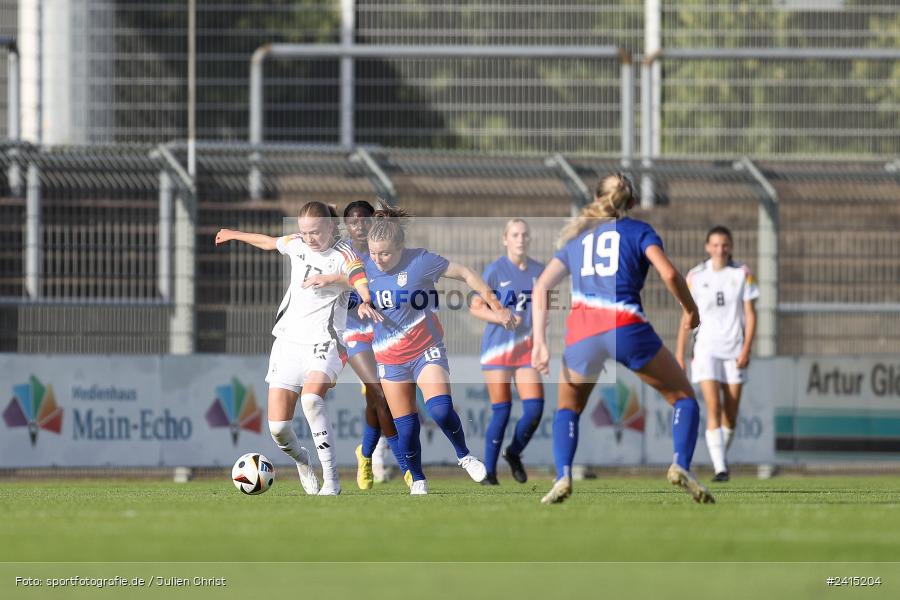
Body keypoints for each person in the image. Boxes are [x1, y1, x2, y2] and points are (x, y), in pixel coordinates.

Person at [532, 173, 714, 505]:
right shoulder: (639, 231)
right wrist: (690, 310)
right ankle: (680, 465)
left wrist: (540, 342)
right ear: (631, 202)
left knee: (567, 410)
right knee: (684, 398)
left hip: (583, 333)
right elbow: (670, 273)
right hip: (625, 327)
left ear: (598, 198)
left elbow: (541, 286)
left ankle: (563, 476)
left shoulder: (577, 241)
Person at [215, 201, 379, 496]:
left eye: (315, 232)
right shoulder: (297, 244)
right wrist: (233, 234)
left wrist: (358, 294)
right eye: (304, 232)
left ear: (330, 227)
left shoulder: (345, 254)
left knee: (312, 401)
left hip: (326, 341)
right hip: (288, 342)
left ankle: (332, 480)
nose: (309, 238)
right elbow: (267, 242)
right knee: (278, 428)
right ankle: (303, 461)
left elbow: (359, 278)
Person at [365, 205, 517, 495]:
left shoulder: (421, 261)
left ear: (399, 247)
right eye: (373, 253)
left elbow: (466, 273)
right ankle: (418, 480)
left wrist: (496, 307)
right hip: (389, 359)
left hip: (425, 349)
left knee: (441, 410)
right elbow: (345, 277)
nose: (378, 259)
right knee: (406, 429)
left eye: (384, 253)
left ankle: (464, 455)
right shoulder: (366, 266)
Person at [675, 225, 758, 482]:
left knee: (730, 415)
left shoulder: (742, 274)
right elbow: (687, 317)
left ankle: (720, 457)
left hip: (734, 349)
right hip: (706, 349)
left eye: (724, 245)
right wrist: (679, 352)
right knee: (714, 406)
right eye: (715, 244)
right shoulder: (696, 276)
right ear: (707, 247)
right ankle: (721, 468)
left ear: (730, 246)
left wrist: (746, 348)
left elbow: (750, 314)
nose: (720, 249)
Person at [341, 200, 412, 489]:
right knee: (381, 396)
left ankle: (365, 454)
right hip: (356, 336)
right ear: (346, 226)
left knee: (377, 401)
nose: (359, 227)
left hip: (386, 334)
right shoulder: (342, 253)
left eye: (364, 221)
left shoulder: (384, 251)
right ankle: (409, 468)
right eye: (353, 222)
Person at [470, 219, 545, 485]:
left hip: (526, 349)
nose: (520, 239)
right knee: (502, 410)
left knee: (535, 409)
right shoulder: (495, 270)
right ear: (505, 239)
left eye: (524, 234)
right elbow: (476, 307)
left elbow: (542, 309)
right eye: (515, 235)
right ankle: (488, 472)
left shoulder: (540, 271)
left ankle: (513, 453)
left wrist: (541, 339)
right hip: (498, 348)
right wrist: (500, 316)